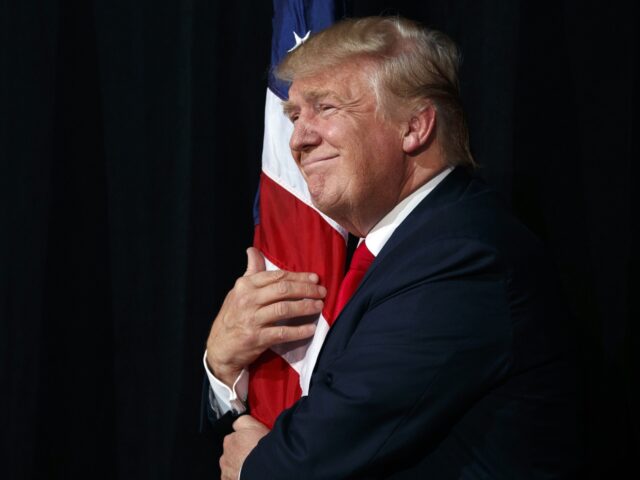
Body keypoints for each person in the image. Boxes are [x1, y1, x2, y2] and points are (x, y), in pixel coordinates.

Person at [204, 16, 581, 479]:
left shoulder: (463, 256)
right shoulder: (387, 251)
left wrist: (255, 467)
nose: (299, 139)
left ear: (414, 127)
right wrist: (222, 367)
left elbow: (305, 461)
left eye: (326, 107)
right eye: (295, 116)